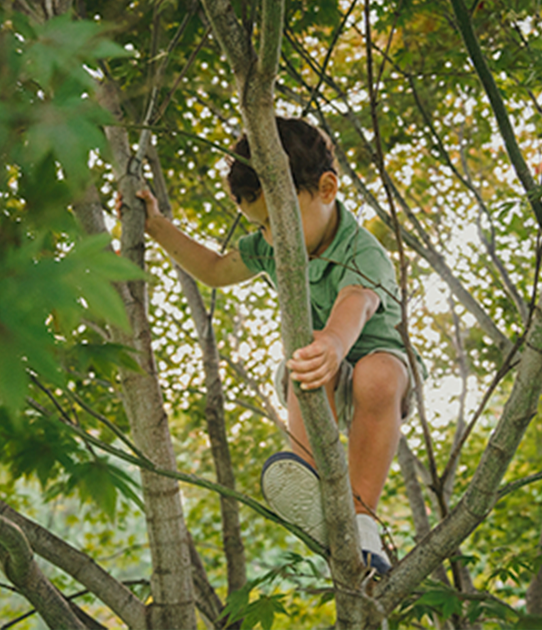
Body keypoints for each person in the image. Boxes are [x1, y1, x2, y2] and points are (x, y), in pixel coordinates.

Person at [122, 117, 415, 574]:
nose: (273, 238)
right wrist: (158, 227)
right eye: (261, 226)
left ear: (327, 188)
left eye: (280, 221)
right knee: (308, 359)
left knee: (376, 375)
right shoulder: (269, 243)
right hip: (317, 368)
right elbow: (217, 268)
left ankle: (362, 519)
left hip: (373, 361)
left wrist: (335, 344)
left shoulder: (363, 251)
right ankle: (305, 479)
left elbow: (355, 303)